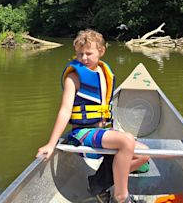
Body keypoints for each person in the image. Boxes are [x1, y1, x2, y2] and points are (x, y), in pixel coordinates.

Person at [36, 29, 149, 203]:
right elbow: (65, 111)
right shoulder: (73, 77)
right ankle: (121, 196)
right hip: (82, 133)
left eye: (89, 53)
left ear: (101, 51)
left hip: (103, 130)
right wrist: (51, 144)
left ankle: (99, 183)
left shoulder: (104, 73)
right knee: (126, 140)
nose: (84, 58)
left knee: (144, 154)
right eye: (80, 54)